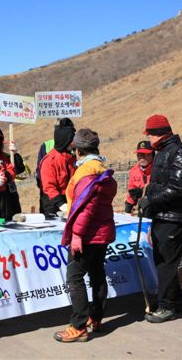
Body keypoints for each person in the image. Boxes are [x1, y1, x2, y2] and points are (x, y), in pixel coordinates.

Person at [54, 129, 117, 342]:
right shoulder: (101, 168)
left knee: (75, 276)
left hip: (87, 233)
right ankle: (96, 318)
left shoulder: (86, 172)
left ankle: (79, 324)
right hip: (101, 231)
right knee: (97, 273)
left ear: (78, 150)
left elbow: (85, 208)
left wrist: (77, 234)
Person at [138, 114, 182, 323]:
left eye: (150, 134)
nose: (148, 138)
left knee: (167, 263)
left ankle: (166, 307)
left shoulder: (180, 153)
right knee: (163, 260)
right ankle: (176, 301)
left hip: (175, 217)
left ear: (158, 134)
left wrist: (151, 200)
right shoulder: (165, 151)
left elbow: (178, 188)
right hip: (164, 215)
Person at [35, 118, 75, 213]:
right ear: (65, 140)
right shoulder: (50, 161)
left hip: (69, 200)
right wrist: (61, 204)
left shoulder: (72, 158)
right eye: (71, 139)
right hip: (52, 203)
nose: (74, 142)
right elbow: (49, 187)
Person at [124, 140, 154, 214]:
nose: (141, 157)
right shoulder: (133, 171)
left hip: (155, 208)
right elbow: (131, 193)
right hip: (140, 209)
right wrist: (128, 210)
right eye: (139, 154)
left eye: (145, 154)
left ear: (152, 155)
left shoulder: (158, 169)